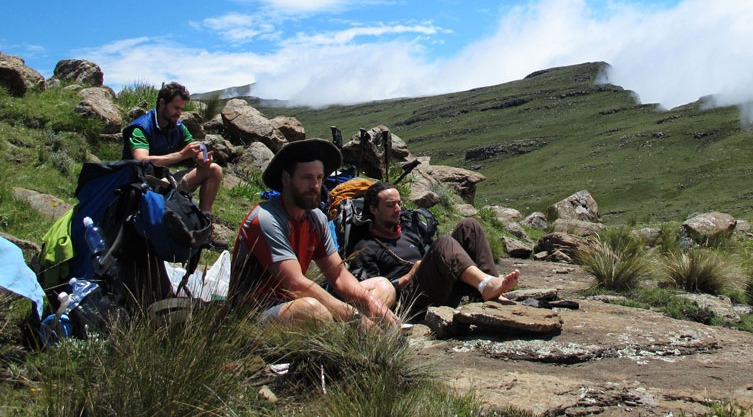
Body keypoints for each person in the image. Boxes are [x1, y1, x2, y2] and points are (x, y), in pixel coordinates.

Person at [229, 138, 396, 325]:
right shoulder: (266, 219)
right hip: (257, 313)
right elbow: (296, 284)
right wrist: (355, 317)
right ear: (286, 179)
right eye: (307, 178)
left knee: (383, 286)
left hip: (297, 302)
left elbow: (338, 275)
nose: (316, 186)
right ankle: (355, 331)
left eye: (319, 178)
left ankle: (366, 329)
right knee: (312, 310)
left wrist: (370, 304)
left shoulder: (316, 218)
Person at [349, 181, 519, 313]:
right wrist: (407, 277)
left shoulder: (409, 233)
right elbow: (367, 294)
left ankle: (490, 290)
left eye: (399, 203)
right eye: (390, 205)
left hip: (436, 288)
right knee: (444, 242)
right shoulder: (365, 247)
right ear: (373, 209)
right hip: (410, 302)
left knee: (469, 226)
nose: (398, 209)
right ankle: (486, 285)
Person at [121, 82, 222, 213]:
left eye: (181, 109)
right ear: (162, 102)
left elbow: (196, 148)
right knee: (164, 183)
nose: (179, 113)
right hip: (138, 184)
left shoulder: (178, 127)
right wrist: (181, 155)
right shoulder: (141, 128)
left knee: (214, 170)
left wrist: (203, 159)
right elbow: (141, 160)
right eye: (176, 108)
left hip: (165, 179)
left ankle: (205, 218)